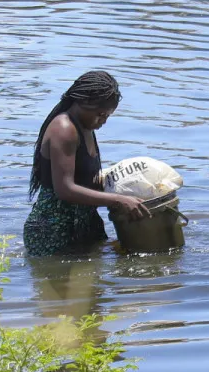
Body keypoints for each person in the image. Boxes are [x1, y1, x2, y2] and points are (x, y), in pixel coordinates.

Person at [24, 70, 149, 257]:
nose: (103, 121)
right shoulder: (64, 129)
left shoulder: (86, 127)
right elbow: (64, 189)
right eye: (100, 115)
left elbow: (85, 179)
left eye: (107, 116)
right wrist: (119, 200)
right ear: (84, 102)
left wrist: (127, 186)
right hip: (53, 231)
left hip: (84, 224)